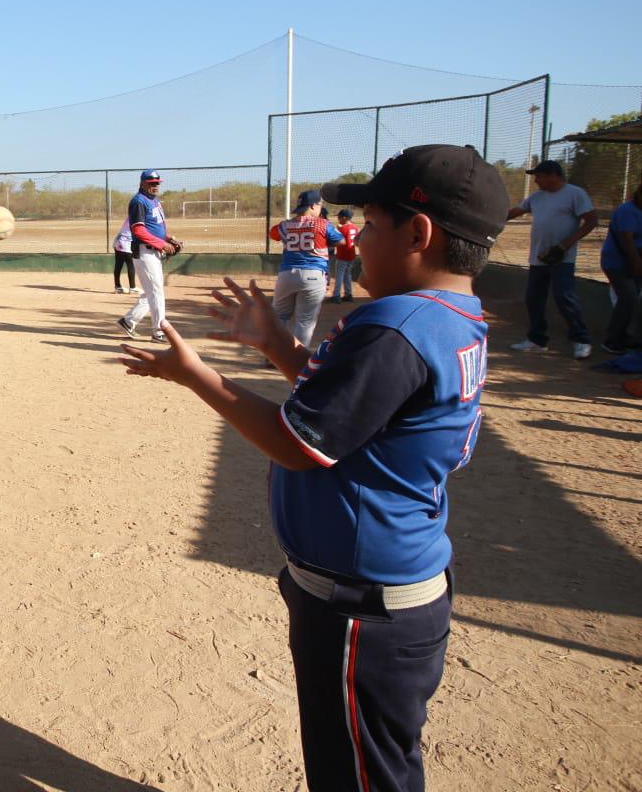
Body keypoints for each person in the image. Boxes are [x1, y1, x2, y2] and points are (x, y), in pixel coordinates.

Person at [121, 144, 507, 792]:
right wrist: (278, 345)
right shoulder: (453, 318)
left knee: (356, 778)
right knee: (369, 767)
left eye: (372, 227)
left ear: (419, 233)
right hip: (388, 592)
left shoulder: (398, 325)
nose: (353, 243)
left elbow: (298, 441)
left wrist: (197, 377)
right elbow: (356, 407)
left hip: (364, 609)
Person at [506, 159, 598, 359]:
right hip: (539, 257)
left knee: (565, 297)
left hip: (561, 258)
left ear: (553, 175)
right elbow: (514, 212)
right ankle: (537, 340)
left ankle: (581, 339)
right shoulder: (536, 197)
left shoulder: (575, 194)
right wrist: (491, 220)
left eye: (539, 176)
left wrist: (566, 244)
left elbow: (591, 221)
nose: (536, 180)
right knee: (533, 299)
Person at [269, 190, 343, 348]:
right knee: (305, 321)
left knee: (279, 317)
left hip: (287, 274)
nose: (320, 209)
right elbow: (341, 241)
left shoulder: (285, 225)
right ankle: (296, 360)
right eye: (319, 205)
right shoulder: (323, 224)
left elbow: (273, 234)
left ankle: (273, 356)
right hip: (314, 275)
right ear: (312, 206)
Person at [116, 170, 181, 343]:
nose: (155, 186)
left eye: (157, 183)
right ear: (143, 183)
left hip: (153, 251)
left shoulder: (154, 200)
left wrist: (167, 239)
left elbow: (154, 227)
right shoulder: (138, 201)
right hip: (144, 251)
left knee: (152, 291)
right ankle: (158, 331)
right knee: (156, 292)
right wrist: (162, 244)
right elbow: (138, 230)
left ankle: (128, 322)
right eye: (152, 183)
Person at [600, 183, 642, 353]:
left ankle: (623, 335)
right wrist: (637, 263)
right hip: (618, 262)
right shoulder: (627, 210)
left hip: (636, 260)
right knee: (628, 297)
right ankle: (612, 340)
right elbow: (627, 241)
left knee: (632, 298)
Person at [329, 208, 360, 303]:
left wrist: (337, 229)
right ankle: (348, 294)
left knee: (339, 276)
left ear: (345, 218)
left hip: (342, 255)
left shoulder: (342, 228)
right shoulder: (355, 227)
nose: (338, 219)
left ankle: (336, 296)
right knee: (347, 274)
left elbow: (335, 240)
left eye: (339, 217)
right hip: (351, 254)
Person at [111, 217, 139, 294]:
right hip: (126, 243)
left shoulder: (130, 217)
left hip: (118, 242)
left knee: (118, 265)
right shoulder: (136, 218)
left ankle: (118, 287)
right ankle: (133, 288)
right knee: (130, 265)